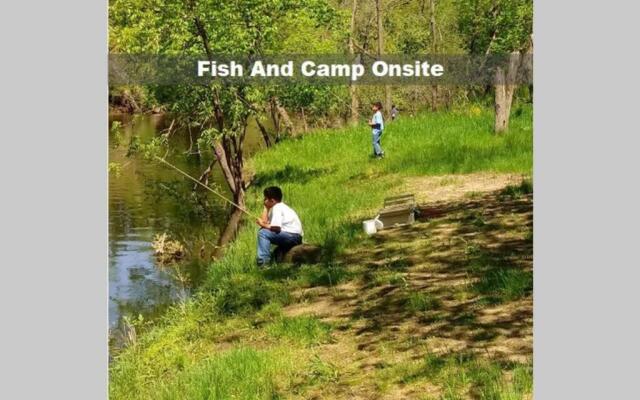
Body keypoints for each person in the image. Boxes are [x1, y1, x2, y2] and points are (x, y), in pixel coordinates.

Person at [255, 186, 303, 266]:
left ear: (272, 200)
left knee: (262, 233)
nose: (264, 201)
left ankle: (263, 263)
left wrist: (262, 224)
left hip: (292, 236)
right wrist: (265, 208)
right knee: (276, 253)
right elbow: (265, 223)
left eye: (265, 198)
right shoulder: (280, 207)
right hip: (295, 237)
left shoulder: (277, 208)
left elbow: (276, 228)